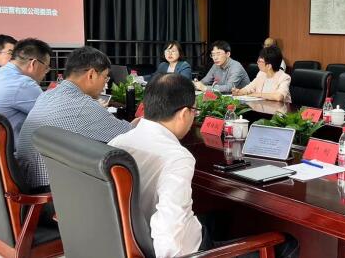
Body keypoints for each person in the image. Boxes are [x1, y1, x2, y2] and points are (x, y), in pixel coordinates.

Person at [109, 74, 298, 258]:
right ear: (184, 113)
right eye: (194, 111)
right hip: (187, 250)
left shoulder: (119, 141)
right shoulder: (177, 157)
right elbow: (169, 232)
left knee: (221, 217)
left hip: (130, 239)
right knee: (287, 242)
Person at [16, 46, 135, 190]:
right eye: (105, 77)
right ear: (91, 74)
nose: (105, 83)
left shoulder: (47, 95)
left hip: (27, 179)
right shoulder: (83, 105)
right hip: (50, 190)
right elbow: (129, 135)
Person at [0, 38, 51, 136]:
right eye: (46, 68)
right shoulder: (23, 84)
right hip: (11, 145)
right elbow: (54, 117)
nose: (45, 73)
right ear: (34, 63)